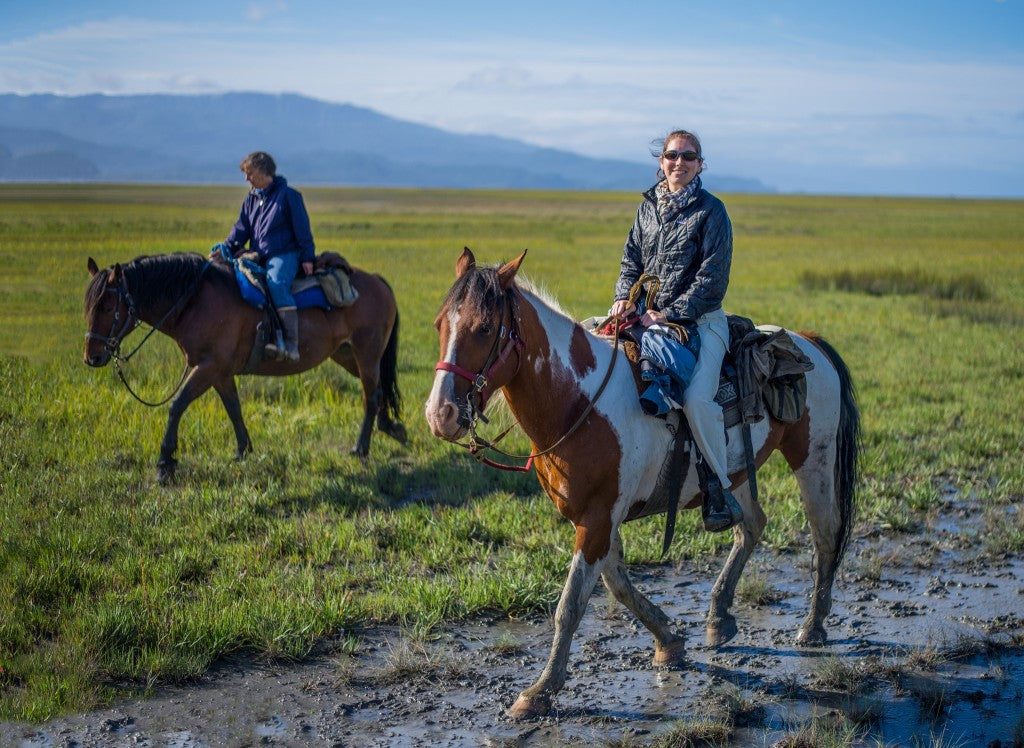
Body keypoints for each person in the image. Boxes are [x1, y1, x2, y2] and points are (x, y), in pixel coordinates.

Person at [610, 129, 743, 533]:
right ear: (661, 161)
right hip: (648, 318)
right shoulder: (647, 207)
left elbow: (711, 281)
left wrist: (667, 314)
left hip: (701, 322)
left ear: (700, 165)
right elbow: (630, 260)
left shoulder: (712, 211)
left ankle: (718, 490)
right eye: (672, 156)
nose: (679, 163)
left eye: (688, 157)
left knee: (698, 400)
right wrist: (623, 299)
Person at [217, 151, 315, 362]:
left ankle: (291, 344)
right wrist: (224, 249)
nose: (246, 178)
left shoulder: (289, 196)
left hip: (284, 254)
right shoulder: (251, 200)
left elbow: (303, 230)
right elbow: (240, 230)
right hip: (259, 255)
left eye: (249, 173)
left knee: (276, 283)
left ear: (263, 172)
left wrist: (307, 257)